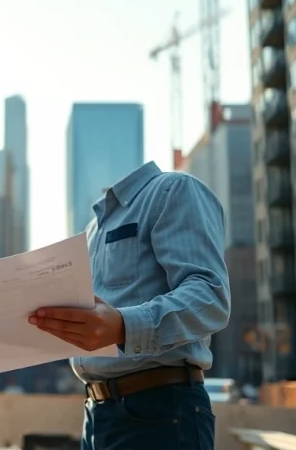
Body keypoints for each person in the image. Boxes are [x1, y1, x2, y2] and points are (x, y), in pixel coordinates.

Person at [29, 161, 230, 450]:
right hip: (96, 414)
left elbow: (211, 296)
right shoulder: (92, 230)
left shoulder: (173, 190)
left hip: (160, 411)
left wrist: (123, 327)